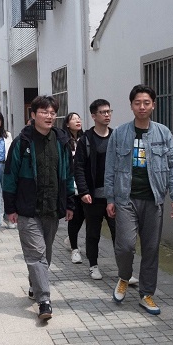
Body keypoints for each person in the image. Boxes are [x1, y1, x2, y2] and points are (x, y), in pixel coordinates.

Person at [105, 84, 173, 316]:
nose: (142, 107)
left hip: (153, 199)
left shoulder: (163, 133)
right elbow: (110, 168)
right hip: (126, 198)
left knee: (150, 248)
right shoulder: (119, 133)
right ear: (131, 106)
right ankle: (124, 276)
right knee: (125, 246)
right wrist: (110, 198)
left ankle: (146, 294)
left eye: (146, 103)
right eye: (137, 103)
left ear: (153, 105)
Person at [3, 95, 75, 320]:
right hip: (27, 209)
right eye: (44, 112)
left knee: (46, 254)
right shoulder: (22, 142)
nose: (49, 116)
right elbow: (10, 176)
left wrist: (69, 203)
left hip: (52, 208)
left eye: (52, 112)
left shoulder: (61, 141)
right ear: (33, 115)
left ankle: (35, 283)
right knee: (36, 254)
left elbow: (68, 175)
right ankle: (44, 300)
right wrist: (10, 207)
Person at [74, 99, 117, 280]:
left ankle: (124, 269)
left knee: (119, 233)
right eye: (103, 112)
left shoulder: (116, 136)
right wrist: (84, 192)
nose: (107, 115)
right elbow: (79, 167)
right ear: (93, 116)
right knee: (93, 233)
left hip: (114, 196)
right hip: (93, 197)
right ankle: (93, 265)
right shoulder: (86, 140)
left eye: (109, 111)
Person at [62, 112, 85, 264]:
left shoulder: (84, 140)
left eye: (78, 118)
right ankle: (74, 249)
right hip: (72, 185)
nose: (77, 121)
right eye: (73, 119)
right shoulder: (64, 142)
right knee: (74, 217)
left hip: (83, 184)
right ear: (67, 124)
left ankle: (71, 239)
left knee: (83, 216)